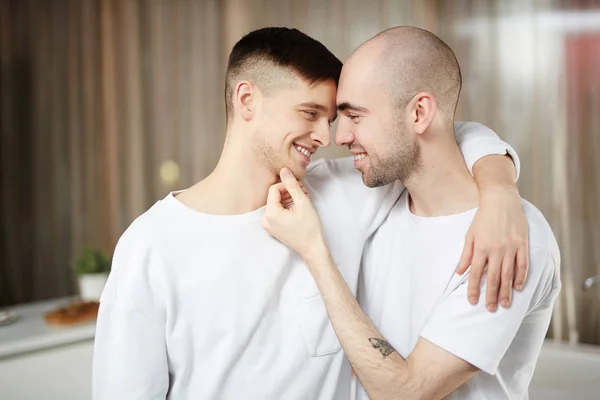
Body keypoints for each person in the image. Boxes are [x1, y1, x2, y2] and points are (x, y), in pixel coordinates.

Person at [93, 27, 527, 400]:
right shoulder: (151, 244)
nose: (329, 135)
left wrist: (499, 189)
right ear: (247, 100)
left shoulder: (341, 192)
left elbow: (439, 134)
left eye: (334, 116)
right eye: (310, 113)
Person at [262, 26, 560, 400]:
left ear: (419, 112)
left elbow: (404, 393)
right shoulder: (378, 194)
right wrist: (498, 179)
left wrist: (315, 252)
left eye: (355, 116)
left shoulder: (512, 241)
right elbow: (460, 133)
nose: (339, 137)